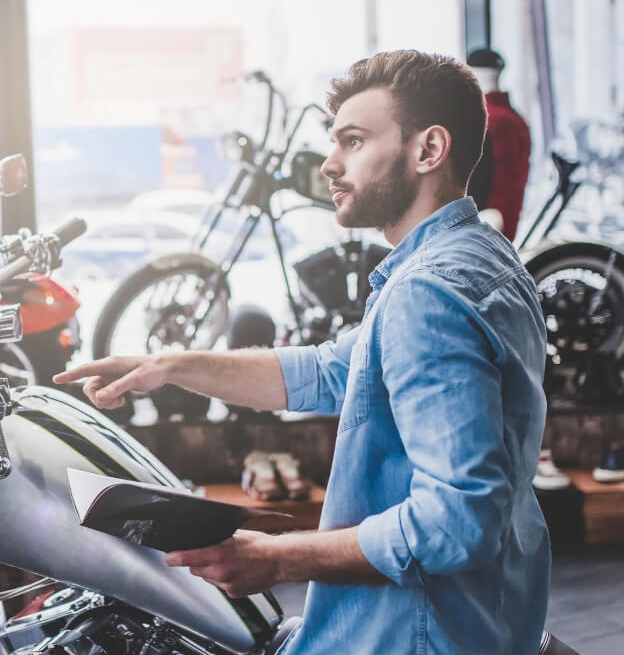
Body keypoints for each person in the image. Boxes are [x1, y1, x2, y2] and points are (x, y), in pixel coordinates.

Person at [56, 50, 550, 654]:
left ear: (429, 150)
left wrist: (277, 559)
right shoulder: (481, 257)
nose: (330, 166)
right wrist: (170, 366)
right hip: (491, 616)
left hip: (413, 634)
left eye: (353, 141)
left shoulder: (428, 291)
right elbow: (331, 370)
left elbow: (457, 523)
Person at [466, 48, 532, 241]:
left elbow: (476, 181)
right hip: (506, 223)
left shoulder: (486, 120)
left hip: (485, 226)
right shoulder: (516, 120)